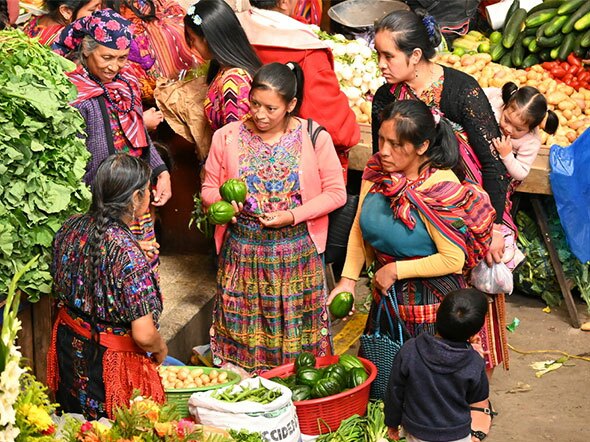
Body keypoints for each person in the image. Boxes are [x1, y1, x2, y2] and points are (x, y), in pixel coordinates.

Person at [370, 9, 510, 371]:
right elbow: (380, 163)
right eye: (378, 55)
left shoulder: (462, 89)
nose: (381, 64)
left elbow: (493, 164)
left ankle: (468, 382)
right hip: (411, 215)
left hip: (466, 215)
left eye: (389, 56)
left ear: (415, 55)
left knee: (463, 301)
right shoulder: (385, 98)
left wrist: (494, 227)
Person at [202, 62, 346, 373]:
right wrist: (225, 202)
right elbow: (208, 190)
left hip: (297, 256)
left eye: (271, 108)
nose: (260, 114)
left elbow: (337, 193)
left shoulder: (314, 136)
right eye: (254, 104)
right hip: (242, 253)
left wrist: (293, 215)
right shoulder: (226, 137)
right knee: (242, 335)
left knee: (297, 347)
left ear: (291, 105)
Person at [330, 99, 495, 366]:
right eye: (381, 139)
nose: (383, 151)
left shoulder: (440, 189)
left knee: (427, 386)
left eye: (396, 145)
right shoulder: (377, 174)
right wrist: (347, 280)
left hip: (430, 307)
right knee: (384, 379)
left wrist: (395, 271)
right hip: (387, 298)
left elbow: (453, 260)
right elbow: (359, 229)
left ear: (422, 146)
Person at [47, 154, 167, 420]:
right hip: (109, 367)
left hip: (71, 350)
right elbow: (144, 335)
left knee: (76, 427)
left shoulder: (71, 226)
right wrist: (160, 349)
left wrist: (132, 251)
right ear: (136, 198)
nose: (149, 195)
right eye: (147, 190)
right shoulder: (127, 254)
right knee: (111, 431)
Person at [54, 8, 172, 266]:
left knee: (142, 273)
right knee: (113, 275)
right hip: (102, 211)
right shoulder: (74, 94)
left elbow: (138, 135)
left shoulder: (126, 83)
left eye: (121, 58)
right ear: (86, 50)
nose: (114, 66)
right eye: (107, 57)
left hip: (135, 200)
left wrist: (160, 171)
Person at [235, 0, 360, 181]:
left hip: (241, 164)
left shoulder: (233, 31)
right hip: (292, 177)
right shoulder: (306, 51)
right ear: (284, 2)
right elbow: (339, 132)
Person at [385, 288, 493, 442]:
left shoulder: (409, 350)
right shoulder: (473, 361)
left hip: (417, 431)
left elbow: (394, 391)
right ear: (475, 333)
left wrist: (392, 423)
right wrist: (475, 357)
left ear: (436, 315)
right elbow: (477, 396)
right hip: (457, 434)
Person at [484, 82, 559, 269]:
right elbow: (479, 94)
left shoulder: (530, 142)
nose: (508, 129)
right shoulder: (496, 100)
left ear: (533, 128)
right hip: (480, 160)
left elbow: (521, 172)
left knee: (496, 204)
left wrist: (507, 155)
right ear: (506, 105)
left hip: (504, 178)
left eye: (518, 129)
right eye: (507, 120)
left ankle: (504, 233)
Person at [184, 0, 261, 132]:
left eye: (193, 39)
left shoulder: (233, 82)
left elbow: (235, 140)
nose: (193, 46)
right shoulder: (223, 69)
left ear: (206, 40)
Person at [23, 0, 101, 45]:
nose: (100, 13)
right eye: (92, 10)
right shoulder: (65, 39)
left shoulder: (37, 19)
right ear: (66, 11)